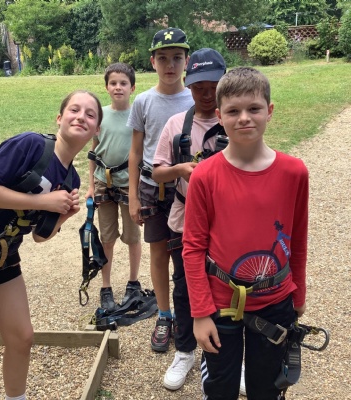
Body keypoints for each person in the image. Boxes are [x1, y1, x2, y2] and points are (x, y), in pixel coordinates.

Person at [0, 90, 103, 400]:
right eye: (74, 110)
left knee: (21, 337)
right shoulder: (30, 145)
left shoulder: (71, 180)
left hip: (1, 251)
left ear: (96, 130)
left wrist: (64, 215)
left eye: (90, 114)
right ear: (59, 118)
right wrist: (44, 201)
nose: (81, 117)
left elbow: (39, 236)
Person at [182, 67, 309, 400]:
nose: (244, 118)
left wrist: (298, 295)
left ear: (269, 110)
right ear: (219, 117)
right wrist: (200, 313)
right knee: (220, 388)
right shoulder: (205, 176)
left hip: (275, 301)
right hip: (220, 302)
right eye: (233, 111)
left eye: (253, 108)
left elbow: (297, 240)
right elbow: (193, 248)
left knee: (267, 389)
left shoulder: (294, 172)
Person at [153, 48, 227, 390]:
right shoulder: (176, 125)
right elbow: (157, 172)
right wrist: (181, 169)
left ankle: (229, 355)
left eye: (214, 87)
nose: (207, 94)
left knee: (229, 287)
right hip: (185, 219)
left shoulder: (234, 119)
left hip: (228, 222)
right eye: (199, 88)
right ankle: (184, 351)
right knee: (184, 287)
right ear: (189, 85)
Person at [127, 27, 194, 352]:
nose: (170, 65)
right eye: (163, 58)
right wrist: (132, 196)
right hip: (152, 187)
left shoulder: (194, 98)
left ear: (187, 61)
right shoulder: (143, 101)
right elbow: (136, 152)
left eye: (177, 58)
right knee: (158, 253)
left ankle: (184, 312)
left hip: (187, 189)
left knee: (185, 253)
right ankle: (164, 314)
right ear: (152, 61)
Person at [85, 63, 142, 312]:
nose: (118, 87)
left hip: (129, 184)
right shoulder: (101, 115)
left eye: (123, 83)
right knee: (107, 238)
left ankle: (133, 282)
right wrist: (90, 186)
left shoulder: (136, 116)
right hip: (103, 182)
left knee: (132, 237)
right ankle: (105, 286)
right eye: (113, 83)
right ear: (107, 87)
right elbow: (93, 152)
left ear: (132, 87)